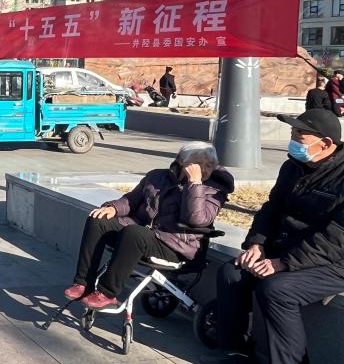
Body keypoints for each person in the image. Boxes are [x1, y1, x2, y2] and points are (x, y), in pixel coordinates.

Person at [215, 108, 344, 364]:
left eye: (300, 135)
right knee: (231, 273)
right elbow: (272, 208)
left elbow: (337, 236)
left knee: (277, 289)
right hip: (289, 248)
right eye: (292, 132)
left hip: (334, 260)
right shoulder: (293, 166)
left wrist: (285, 262)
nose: (293, 140)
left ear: (326, 143)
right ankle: (235, 351)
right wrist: (257, 244)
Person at [65, 142, 233, 310]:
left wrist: (194, 184)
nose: (204, 168)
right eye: (197, 163)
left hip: (176, 245)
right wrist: (113, 208)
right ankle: (83, 283)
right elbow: (132, 200)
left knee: (135, 233)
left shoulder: (214, 190)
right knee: (98, 220)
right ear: (181, 161)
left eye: (209, 164)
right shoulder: (157, 176)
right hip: (142, 232)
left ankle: (107, 293)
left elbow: (196, 219)